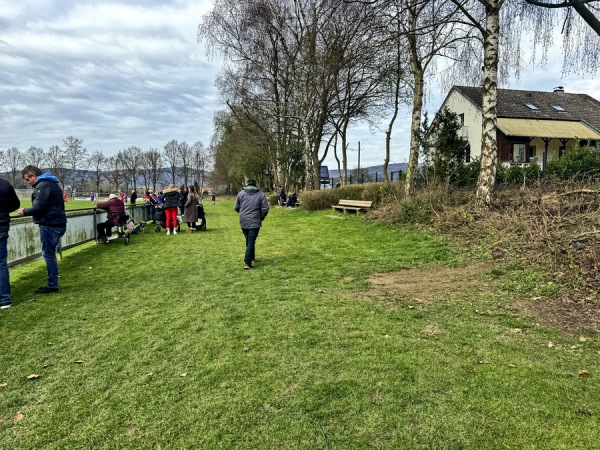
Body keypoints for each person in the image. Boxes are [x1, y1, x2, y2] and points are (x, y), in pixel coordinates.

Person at [17, 165, 67, 294]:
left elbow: (39, 207)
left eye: (28, 180)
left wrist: (24, 211)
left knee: (49, 255)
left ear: (33, 176)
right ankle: (52, 283)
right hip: (59, 223)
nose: (28, 183)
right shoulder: (53, 184)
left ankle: (52, 285)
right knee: (51, 253)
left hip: (49, 224)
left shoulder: (42, 186)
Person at [234, 179, 269, 270]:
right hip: (255, 221)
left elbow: (236, 207)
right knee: (251, 240)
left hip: (244, 221)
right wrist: (261, 217)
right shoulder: (261, 194)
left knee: (249, 240)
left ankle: (252, 257)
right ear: (255, 185)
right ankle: (247, 262)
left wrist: (242, 213)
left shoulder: (241, 194)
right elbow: (265, 208)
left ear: (247, 184)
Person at [0, 178, 20, 309]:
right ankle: (5, 300)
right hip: (1, 227)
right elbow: (15, 204)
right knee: (1, 264)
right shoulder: (4, 184)